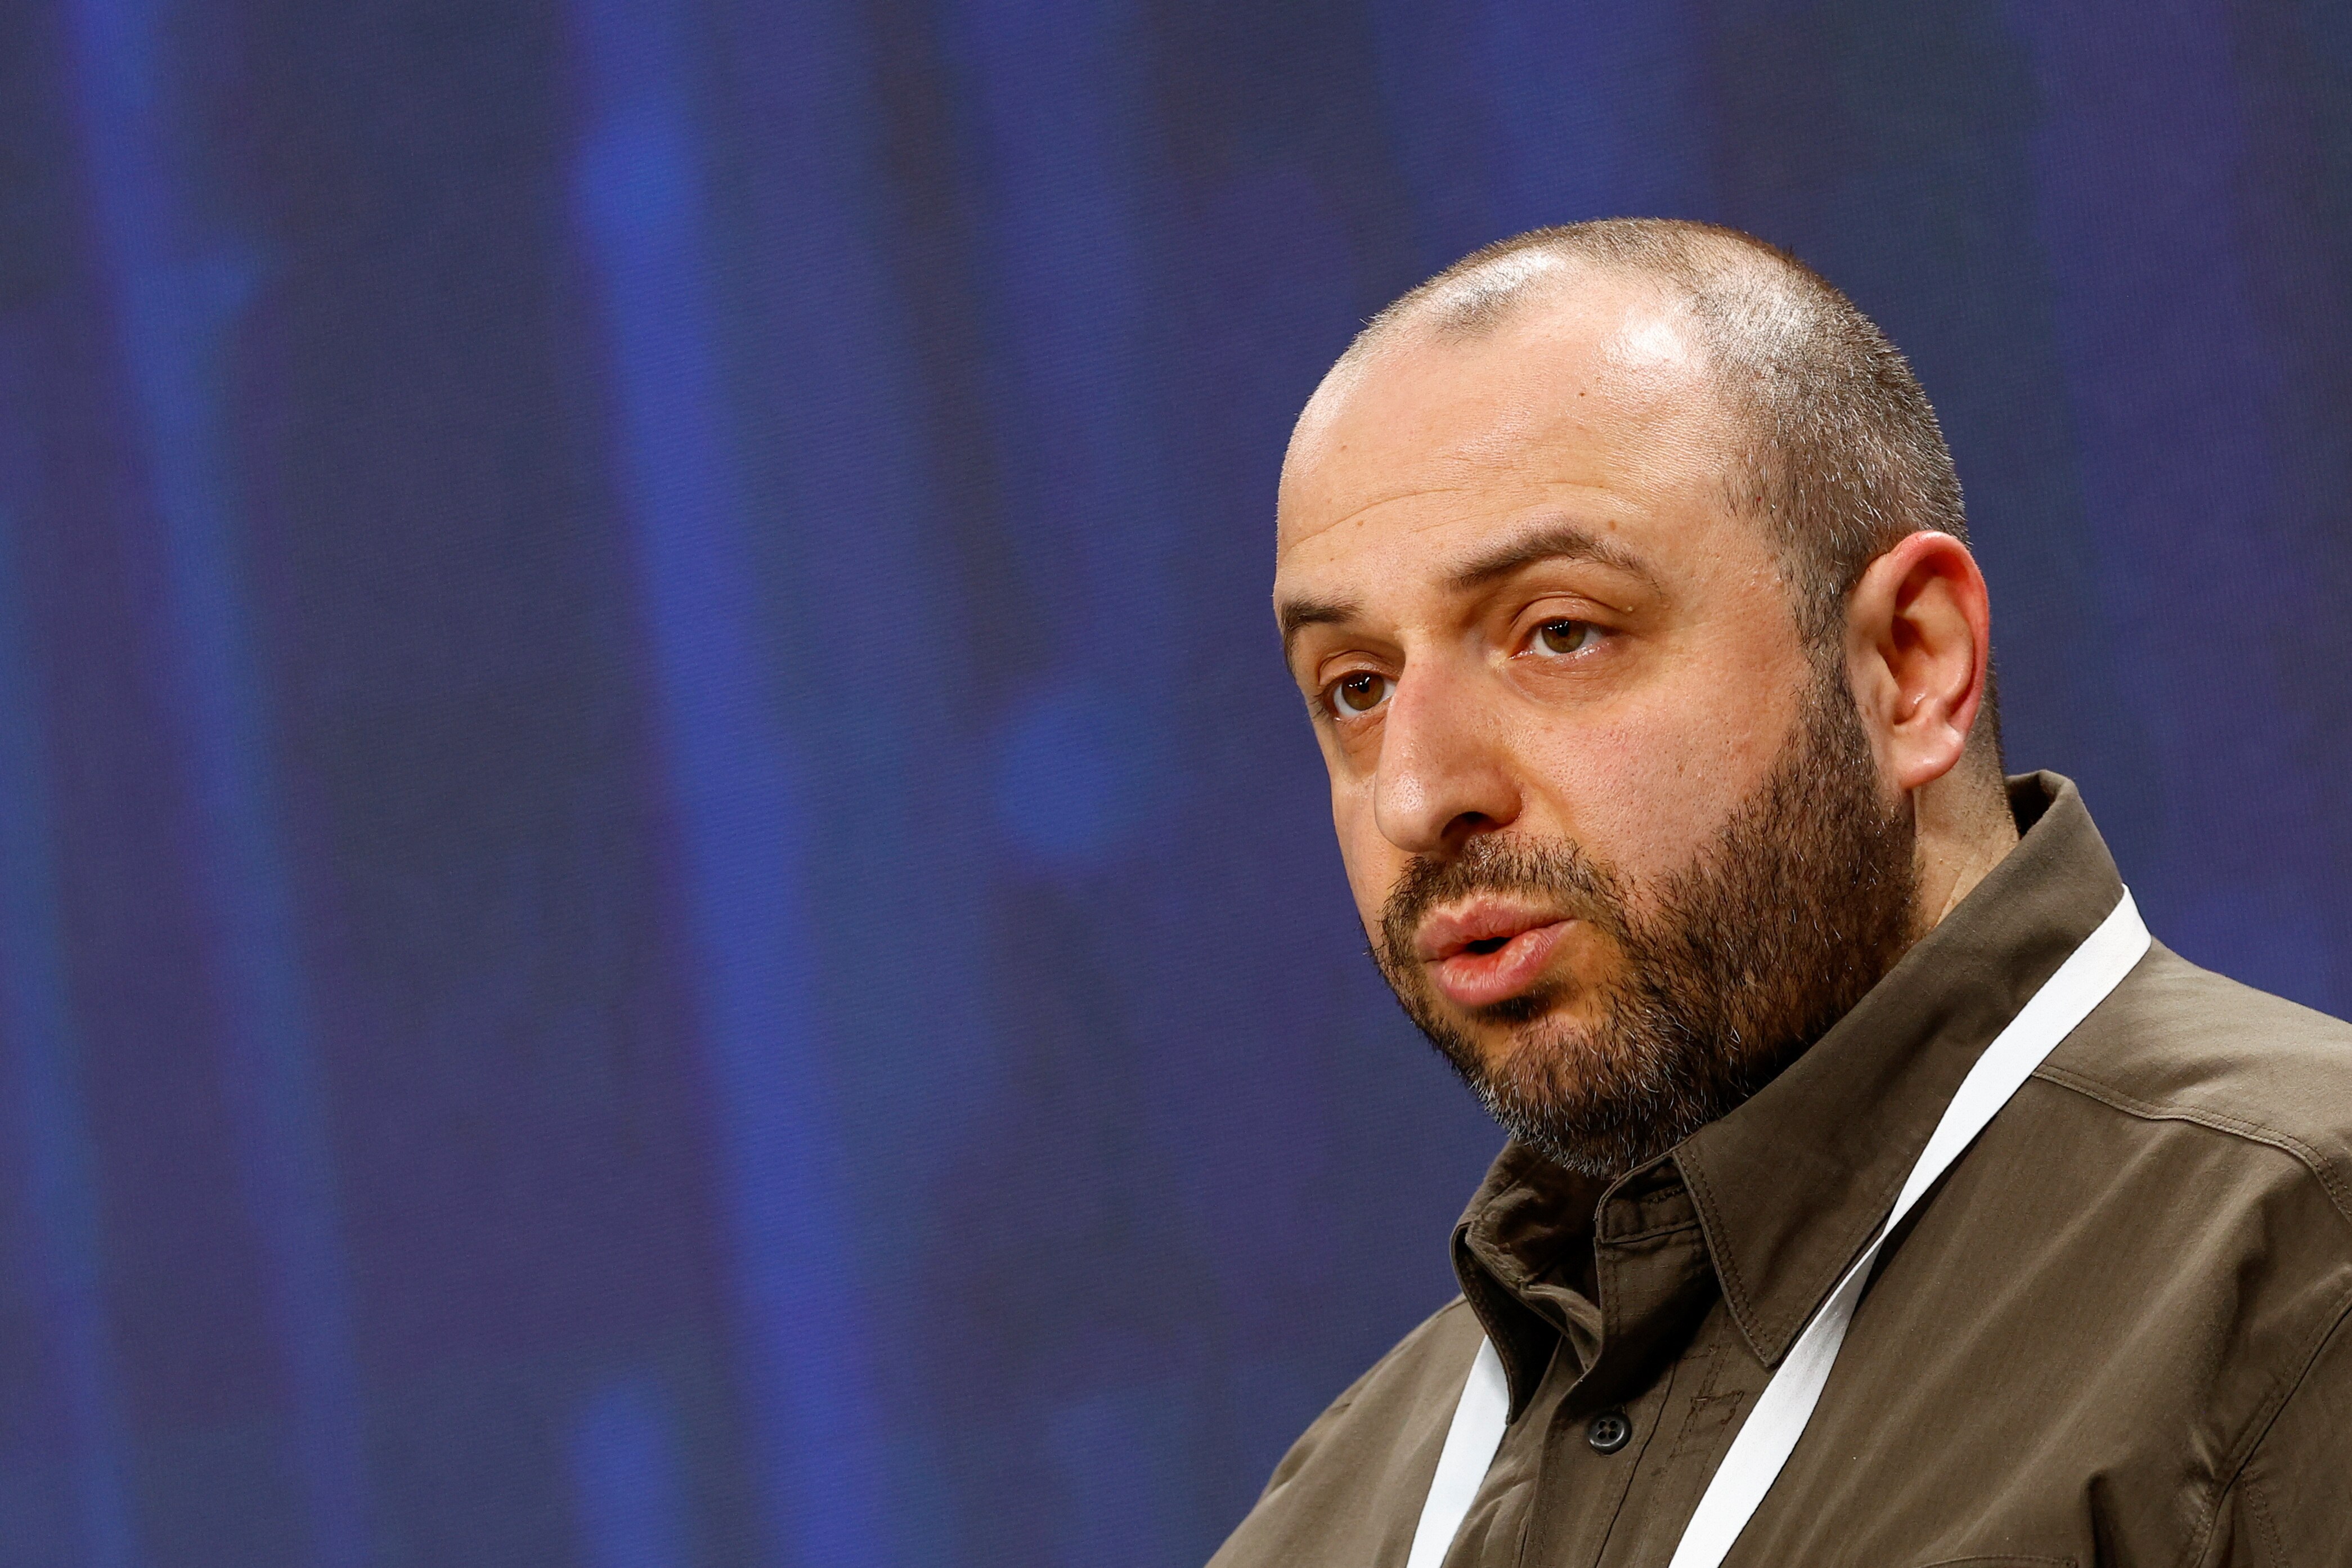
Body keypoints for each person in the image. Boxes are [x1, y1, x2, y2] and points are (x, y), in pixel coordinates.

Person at [1213, 219, 2352, 1568]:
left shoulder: (2299, 1262)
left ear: (1907, 660)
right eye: (1356, 686)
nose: (1416, 794)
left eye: (1557, 631)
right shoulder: (1339, 1502)